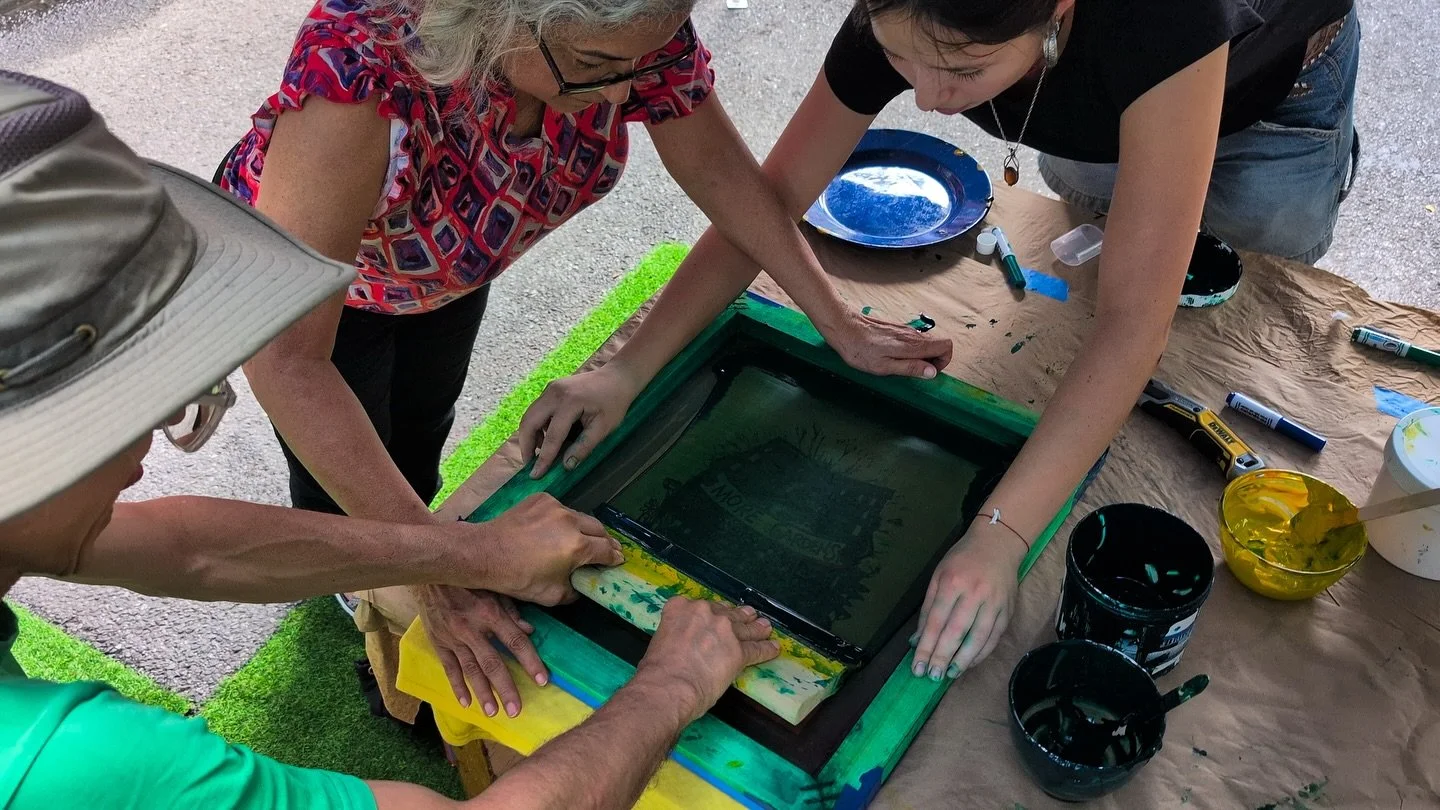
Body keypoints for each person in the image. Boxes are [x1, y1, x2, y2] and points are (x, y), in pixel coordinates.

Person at [0, 70, 778, 810]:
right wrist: (671, 684)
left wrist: (469, 555)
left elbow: (186, 550)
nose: (145, 460)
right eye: (142, 411)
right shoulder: (69, 763)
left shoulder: (23, 521)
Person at [521, 0, 1359, 682]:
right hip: (1095, 85)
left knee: (1240, 300)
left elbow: (1134, 322)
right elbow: (766, 201)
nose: (926, 99)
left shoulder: (1164, 24)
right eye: (904, 60)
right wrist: (630, 368)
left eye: (959, 70)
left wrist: (1001, 531)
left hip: (1271, 100)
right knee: (1096, 185)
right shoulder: (913, 16)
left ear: (1056, 12)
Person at [216, 0, 950, 717]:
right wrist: (429, 567)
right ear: (494, 18)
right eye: (598, 67)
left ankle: (404, 521)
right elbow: (289, 362)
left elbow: (726, 177)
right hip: (329, 291)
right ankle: (355, 588)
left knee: (417, 425)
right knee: (336, 479)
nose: (630, 92)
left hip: (439, 270)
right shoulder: (360, 74)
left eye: (643, 62)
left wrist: (836, 320)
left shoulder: (631, 29)